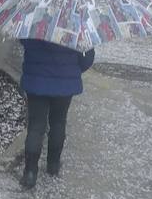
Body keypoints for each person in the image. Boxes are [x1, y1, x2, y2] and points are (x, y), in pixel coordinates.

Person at [19, 39, 95, 189]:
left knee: (36, 126)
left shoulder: (35, 23)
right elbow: (88, 57)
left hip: (36, 81)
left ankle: (30, 173)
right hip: (65, 83)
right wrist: (72, 69)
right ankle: (53, 164)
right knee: (59, 122)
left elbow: (23, 42)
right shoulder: (75, 28)